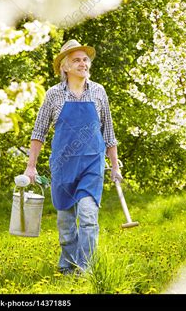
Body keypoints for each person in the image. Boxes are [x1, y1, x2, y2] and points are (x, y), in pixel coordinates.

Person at [24, 39, 122, 274]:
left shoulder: (99, 91)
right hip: (63, 165)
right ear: (65, 67)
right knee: (66, 222)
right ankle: (68, 266)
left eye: (85, 59)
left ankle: (86, 269)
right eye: (76, 60)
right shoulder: (53, 95)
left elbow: (108, 131)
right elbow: (39, 132)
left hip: (91, 164)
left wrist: (114, 164)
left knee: (88, 217)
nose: (82, 63)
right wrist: (31, 167)